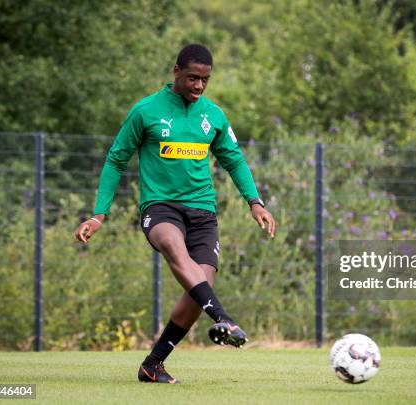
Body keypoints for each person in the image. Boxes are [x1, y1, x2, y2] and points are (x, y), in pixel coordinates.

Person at [74, 44, 275, 384]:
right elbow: (115, 160)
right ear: (176, 72)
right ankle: (224, 318)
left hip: (203, 210)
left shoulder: (214, 115)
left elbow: (234, 159)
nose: (199, 86)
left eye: (205, 80)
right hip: (160, 206)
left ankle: (153, 365)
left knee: (200, 288)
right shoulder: (146, 111)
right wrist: (99, 215)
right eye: (193, 78)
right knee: (173, 247)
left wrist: (255, 201)